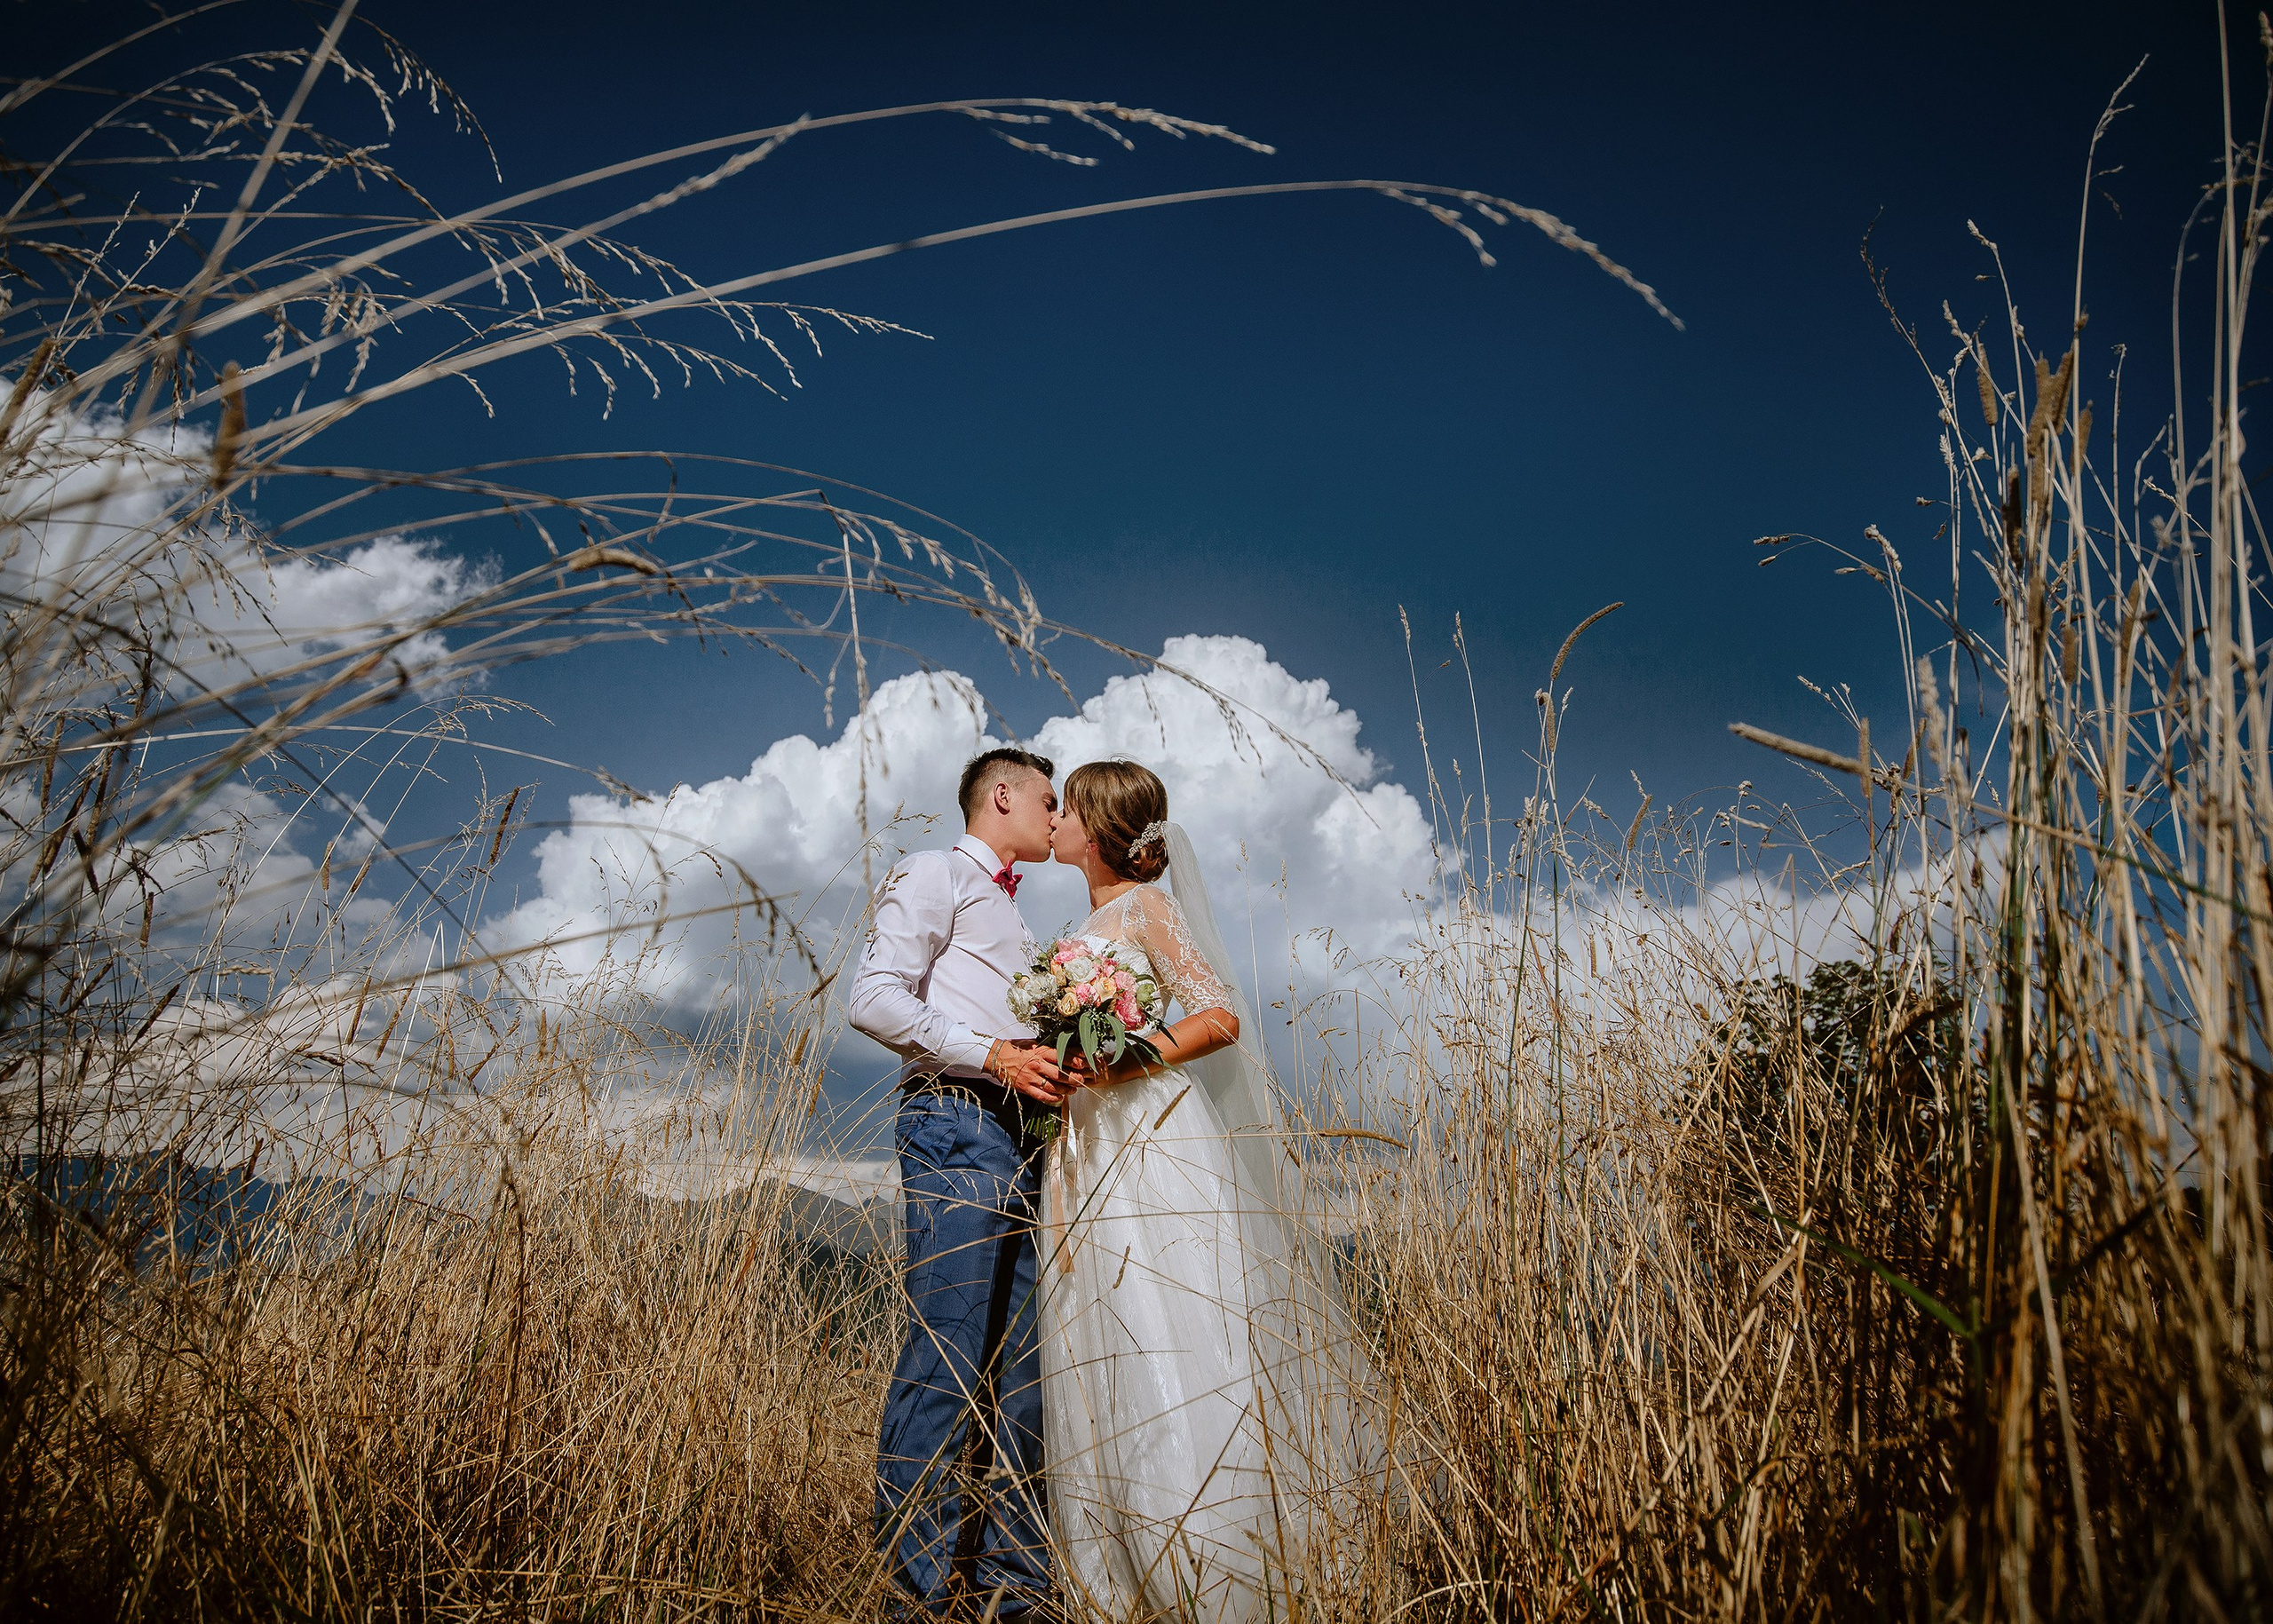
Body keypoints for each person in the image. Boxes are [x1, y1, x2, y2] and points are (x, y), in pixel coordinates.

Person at [1037, 759, 1367, 1624]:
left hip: (1151, 1133)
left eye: (1064, 807)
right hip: (1089, 1135)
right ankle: (1120, 1582)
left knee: (1169, 1325)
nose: (1053, 820)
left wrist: (1126, 1057)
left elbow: (1218, 1013)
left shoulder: (1146, 909)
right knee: (1097, 1329)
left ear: (1098, 823)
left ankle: (1209, 1573)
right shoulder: (1089, 917)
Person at [847, 747, 1072, 1620]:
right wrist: (997, 1055)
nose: (1057, 817)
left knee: (1026, 1375)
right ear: (1002, 795)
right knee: (944, 1359)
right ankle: (921, 1596)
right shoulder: (934, 870)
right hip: (956, 1122)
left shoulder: (1018, 920)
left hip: (1022, 1141)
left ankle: (1019, 1593)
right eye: (1049, 801)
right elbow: (873, 996)